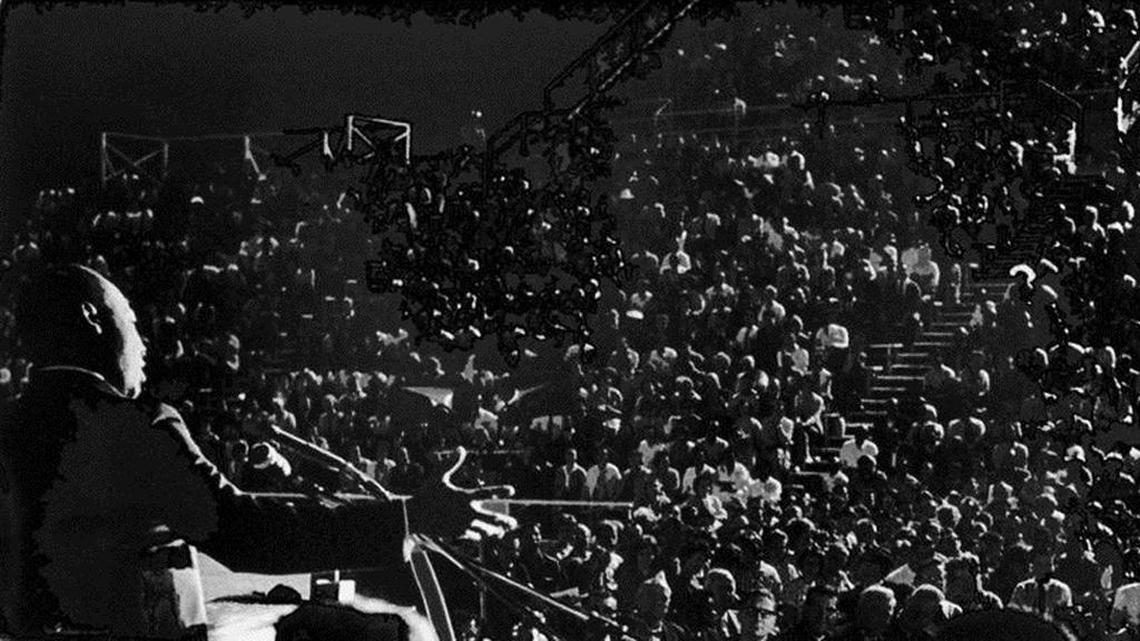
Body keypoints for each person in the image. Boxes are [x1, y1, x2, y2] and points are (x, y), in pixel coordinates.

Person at [0, 265, 514, 640]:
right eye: (130, 321)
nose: (143, 344)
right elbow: (248, 534)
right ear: (93, 320)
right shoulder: (133, 425)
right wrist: (406, 517)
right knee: (390, 630)